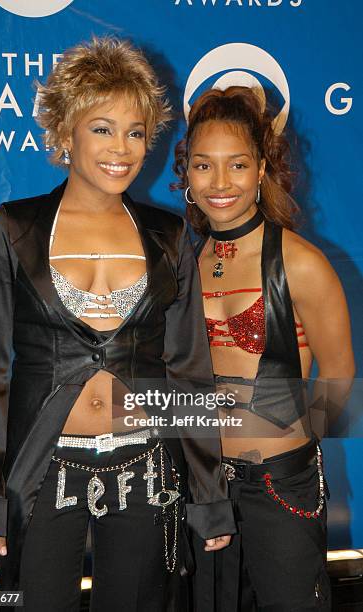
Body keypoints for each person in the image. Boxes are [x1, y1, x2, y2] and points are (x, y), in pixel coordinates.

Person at [0, 38, 234, 612]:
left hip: (147, 466)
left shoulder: (170, 235)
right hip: (43, 470)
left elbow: (190, 371)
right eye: (102, 128)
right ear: (66, 130)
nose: (122, 149)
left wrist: (207, 494)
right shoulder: (12, 229)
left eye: (135, 131)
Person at [172, 86, 355, 611]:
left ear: (260, 170)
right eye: (204, 166)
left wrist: (288, 449)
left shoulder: (301, 263)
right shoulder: (183, 267)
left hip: (281, 491)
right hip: (204, 493)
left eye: (237, 165)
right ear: (187, 175)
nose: (220, 183)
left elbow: (339, 375)